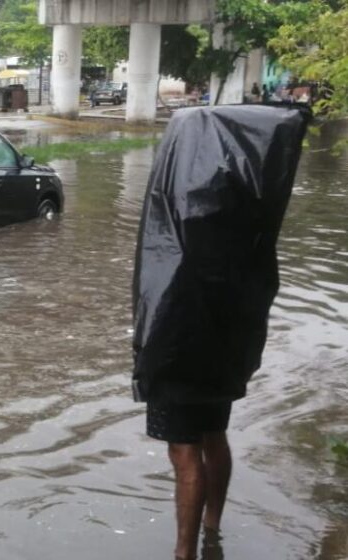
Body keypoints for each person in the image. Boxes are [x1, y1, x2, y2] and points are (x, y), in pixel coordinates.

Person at [132, 105, 310, 560]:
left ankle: (184, 552)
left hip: (177, 346)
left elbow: (159, 281)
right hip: (226, 347)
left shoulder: (176, 204)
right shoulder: (244, 206)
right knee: (214, 434)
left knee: (185, 451)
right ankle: (212, 530)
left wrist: (151, 349)